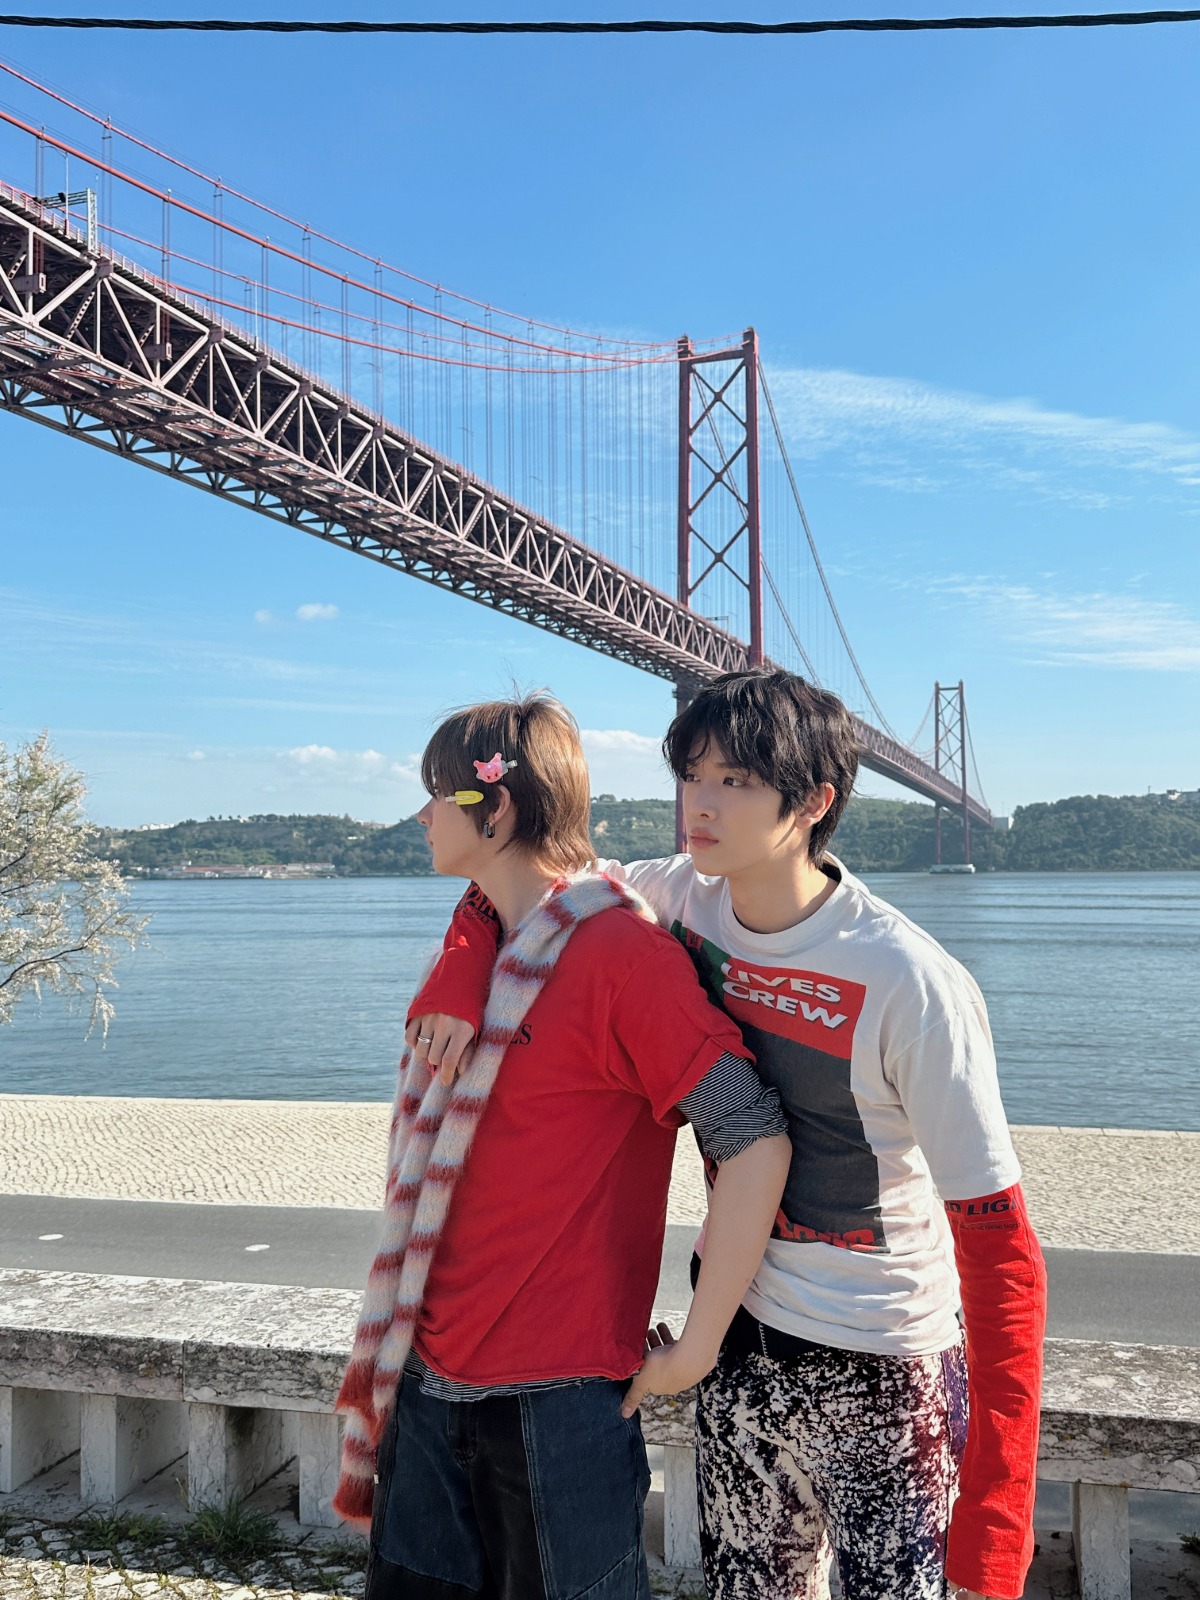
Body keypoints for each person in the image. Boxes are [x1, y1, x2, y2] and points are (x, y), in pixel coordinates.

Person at [410, 669, 1048, 1600]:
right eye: (692, 776)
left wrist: (997, 1521)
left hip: (888, 1362)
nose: (699, 805)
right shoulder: (678, 895)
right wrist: (458, 976)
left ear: (815, 802)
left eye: (736, 782)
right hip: (743, 1338)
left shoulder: (912, 982)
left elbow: (1001, 1249)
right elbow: (516, 880)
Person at [334, 691, 792, 1600]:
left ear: (496, 809)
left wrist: (697, 1346)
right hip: (425, 1374)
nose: (421, 814)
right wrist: (460, 954)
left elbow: (752, 1136)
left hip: (558, 1405)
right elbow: (489, 902)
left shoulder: (623, 957)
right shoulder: (487, 941)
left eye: (437, 793)